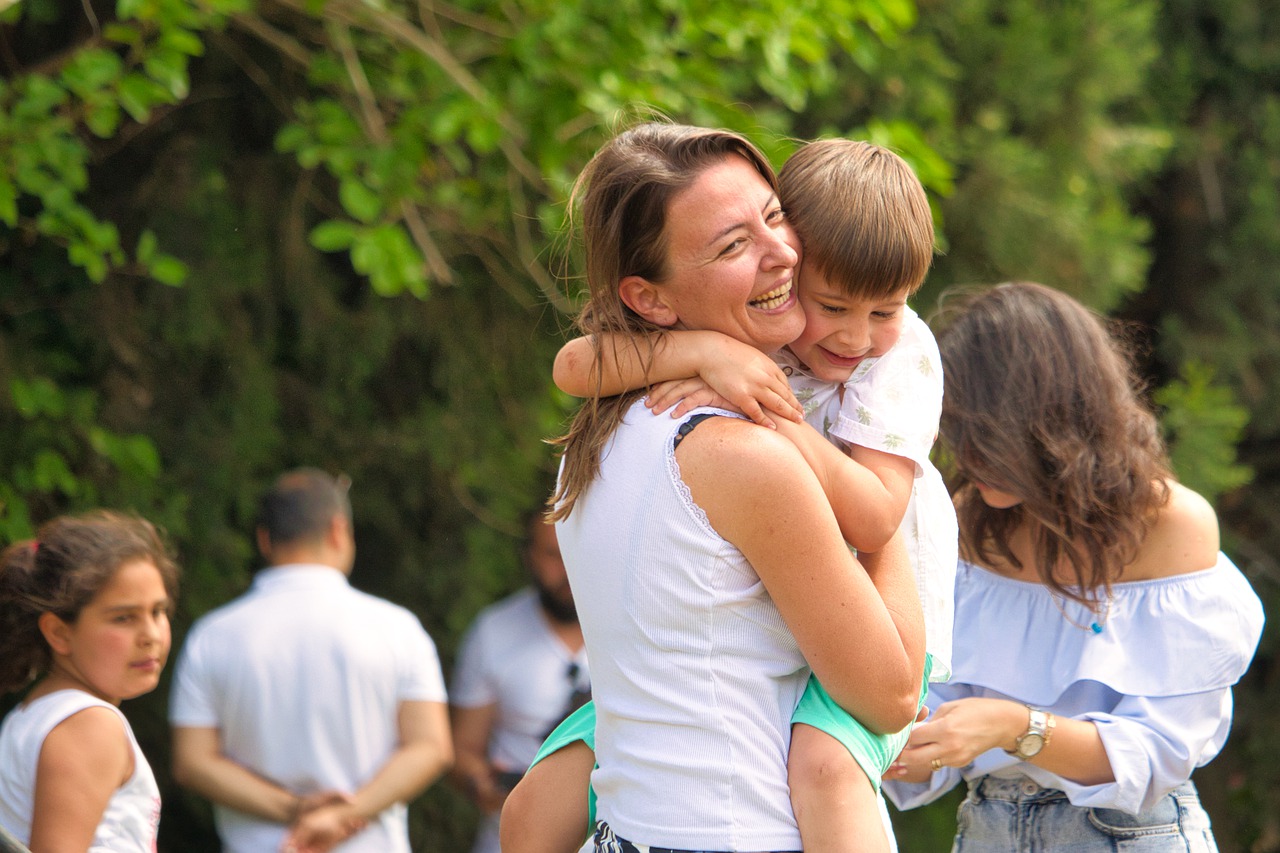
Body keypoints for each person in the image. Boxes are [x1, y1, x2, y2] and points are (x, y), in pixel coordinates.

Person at [511, 121, 927, 853]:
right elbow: (891, 695)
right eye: (733, 245)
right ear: (651, 298)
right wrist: (910, 509)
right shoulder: (743, 450)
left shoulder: (610, 424)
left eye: (774, 218)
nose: (784, 254)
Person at [881, 282, 1266, 851]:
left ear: (1049, 424)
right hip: (986, 830)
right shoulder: (964, 518)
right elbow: (926, 735)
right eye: (955, 432)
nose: (965, 458)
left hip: (1130, 836)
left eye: (986, 437)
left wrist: (1013, 727)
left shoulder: (1170, 525)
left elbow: (1159, 755)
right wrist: (899, 743)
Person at [169, 468, 453, 853]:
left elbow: (193, 761)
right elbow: (431, 748)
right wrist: (340, 816)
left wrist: (296, 809)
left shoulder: (212, 635)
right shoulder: (398, 628)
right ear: (339, 531)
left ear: (264, 540)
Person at [0, 510, 178, 852]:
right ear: (59, 632)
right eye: (124, 618)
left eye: (157, 611)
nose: (151, 635)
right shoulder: (90, 725)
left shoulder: (37, 714)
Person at [450, 511, 589, 853]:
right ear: (529, 557)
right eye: (553, 554)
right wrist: (479, 782)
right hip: (510, 838)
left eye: (575, 552)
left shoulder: (632, 631)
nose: (566, 570)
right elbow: (461, 748)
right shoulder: (494, 633)